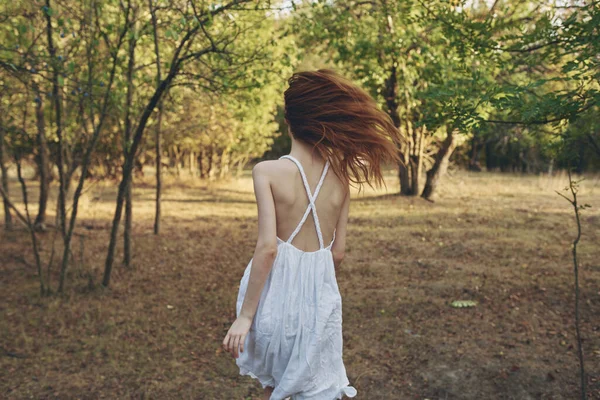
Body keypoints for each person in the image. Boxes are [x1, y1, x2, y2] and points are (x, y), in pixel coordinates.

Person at [222, 69, 402, 399]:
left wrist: (245, 317)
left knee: (273, 387)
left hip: (272, 304)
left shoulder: (267, 172)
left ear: (290, 121)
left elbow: (267, 249)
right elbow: (338, 253)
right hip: (318, 306)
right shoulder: (343, 179)